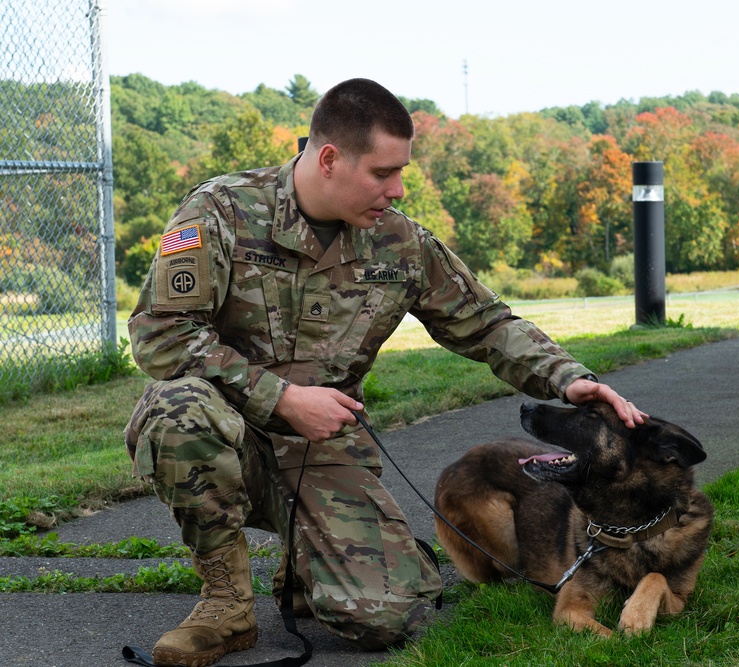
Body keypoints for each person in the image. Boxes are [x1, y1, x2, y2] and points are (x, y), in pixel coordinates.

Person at [124, 77, 646, 666]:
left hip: (323, 454)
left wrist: (567, 378)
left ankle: (310, 563)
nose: (396, 189)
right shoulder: (222, 211)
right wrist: (283, 397)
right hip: (231, 437)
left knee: (390, 616)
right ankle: (225, 601)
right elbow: (160, 333)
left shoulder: (398, 243)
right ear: (329, 160)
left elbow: (487, 323)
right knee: (175, 410)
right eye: (382, 173)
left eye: (401, 173)